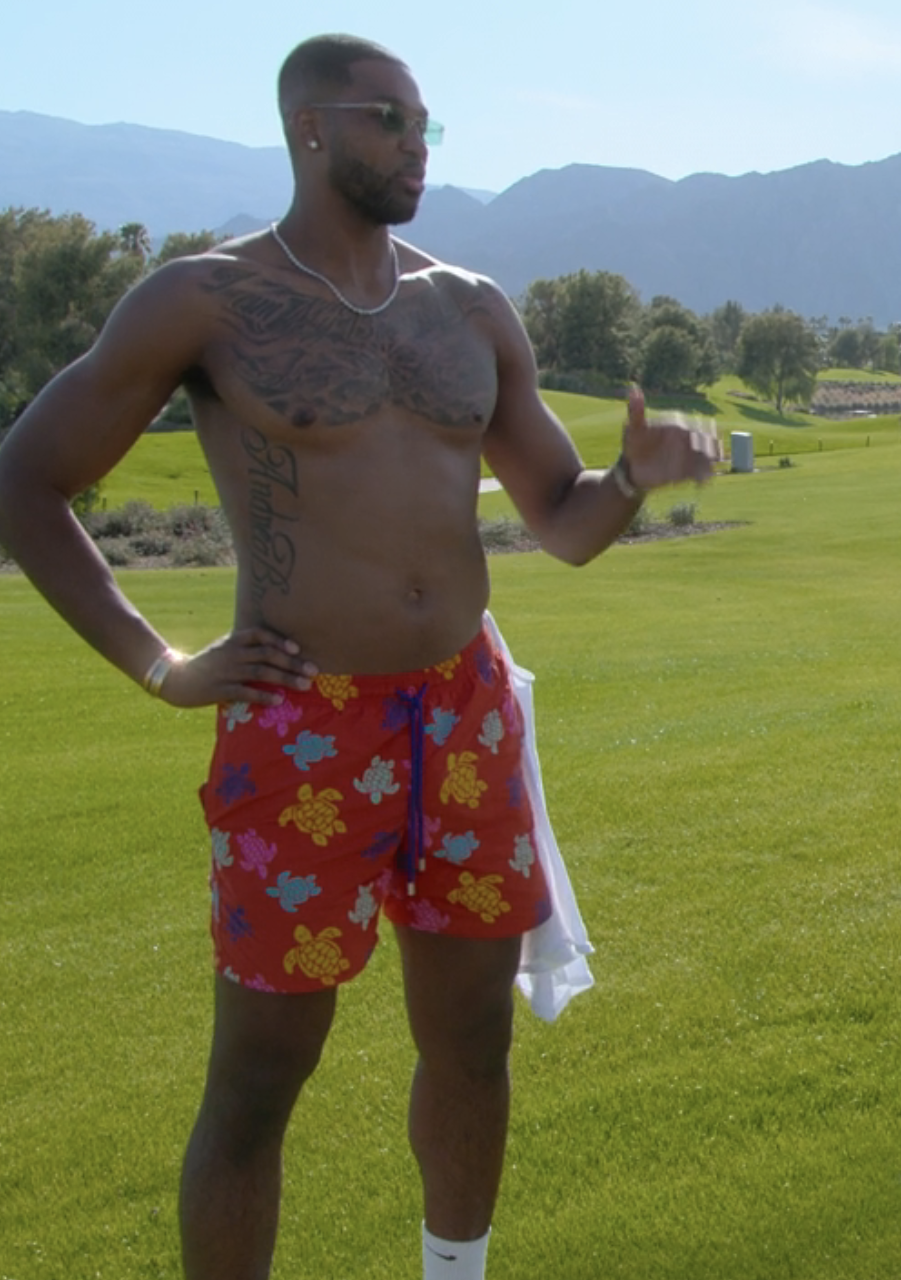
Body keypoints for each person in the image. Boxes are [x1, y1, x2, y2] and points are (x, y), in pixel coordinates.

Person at [0, 33, 716, 1280]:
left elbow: (563, 519)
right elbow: (27, 479)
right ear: (309, 127)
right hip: (303, 722)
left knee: (473, 1041)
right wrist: (161, 663)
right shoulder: (206, 300)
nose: (417, 142)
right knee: (263, 1070)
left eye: (429, 122)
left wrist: (631, 482)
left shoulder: (469, 307)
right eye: (390, 118)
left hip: (464, 707)